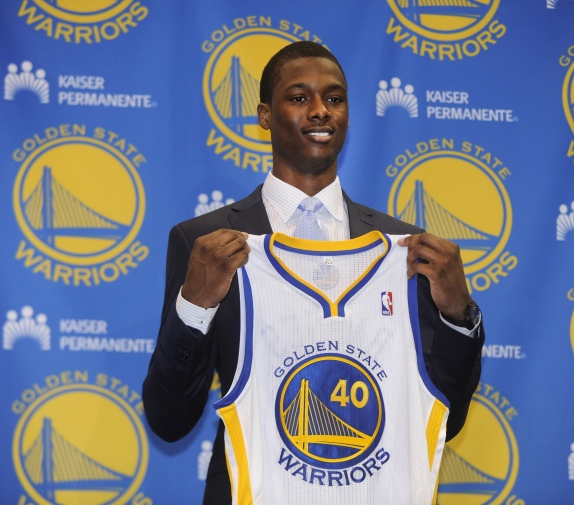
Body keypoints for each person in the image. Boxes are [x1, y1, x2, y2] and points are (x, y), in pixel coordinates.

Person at [142, 41, 485, 505]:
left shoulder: (406, 249)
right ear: (265, 115)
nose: (321, 110)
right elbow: (169, 419)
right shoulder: (205, 242)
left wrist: (458, 318)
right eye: (300, 97)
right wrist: (194, 307)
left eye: (334, 98)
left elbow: (445, 417)